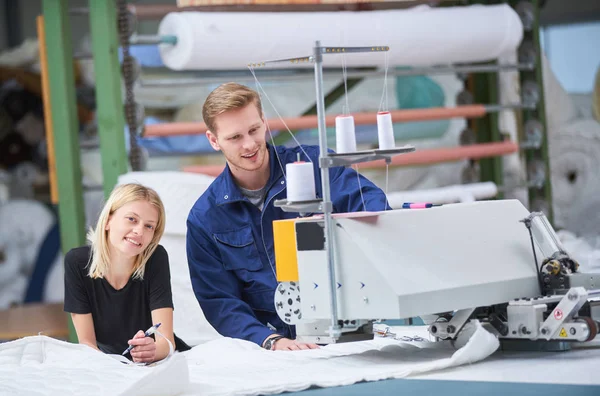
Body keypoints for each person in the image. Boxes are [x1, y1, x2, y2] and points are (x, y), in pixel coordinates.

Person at [186, 82, 389, 351]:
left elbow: (373, 207)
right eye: (235, 138)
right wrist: (270, 341)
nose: (249, 145)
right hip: (274, 345)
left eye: (254, 130)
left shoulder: (316, 166)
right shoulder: (205, 219)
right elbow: (220, 302)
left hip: (344, 325)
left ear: (264, 122)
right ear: (214, 140)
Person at [64, 183, 187, 363]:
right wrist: (113, 370)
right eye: (132, 219)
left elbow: (167, 342)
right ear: (108, 220)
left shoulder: (156, 258)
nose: (139, 231)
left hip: (163, 364)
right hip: (111, 366)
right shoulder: (77, 262)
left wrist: (152, 350)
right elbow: (87, 345)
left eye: (149, 226)